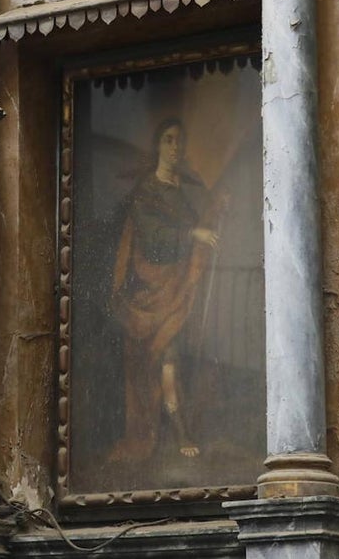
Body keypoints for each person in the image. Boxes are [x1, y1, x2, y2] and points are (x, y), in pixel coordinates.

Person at [108, 118, 224, 464]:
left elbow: (197, 223)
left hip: (177, 287)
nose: (176, 148)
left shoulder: (180, 192)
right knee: (166, 356)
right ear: (158, 146)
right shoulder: (147, 192)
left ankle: (178, 429)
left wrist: (218, 210)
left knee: (174, 356)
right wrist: (194, 235)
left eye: (180, 142)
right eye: (169, 140)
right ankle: (178, 431)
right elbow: (155, 239)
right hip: (150, 289)